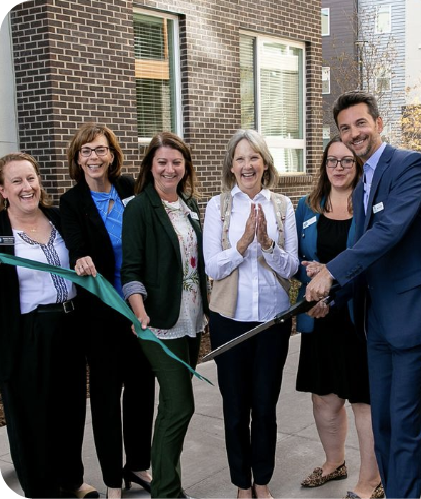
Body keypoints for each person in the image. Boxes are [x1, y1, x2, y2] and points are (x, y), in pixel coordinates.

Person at [305, 91, 421, 499]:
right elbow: (366, 261)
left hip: (411, 317)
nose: (353, 134)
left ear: (379, 123)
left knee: (404, 423)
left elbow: (387, 235)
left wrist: (331, 271)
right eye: (345, 128)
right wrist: (333, 297)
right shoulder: (363, 179)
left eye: (360, 124)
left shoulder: (408, 165)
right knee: (382, 422)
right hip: (375, 324)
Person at [60, 123, 155, 499]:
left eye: (100, 150)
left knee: (142, 390)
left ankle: (138, 466)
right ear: (77, 159)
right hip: (100, 317)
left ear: (113, 155)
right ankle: (113, 480)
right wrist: (80, 257)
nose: (94, 157)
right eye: (86, 152)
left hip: (138, 310)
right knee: (104, 396)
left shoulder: (131, 188)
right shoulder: (73, 202)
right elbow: (75, 245)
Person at [203, 129, 298, 499]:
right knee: (235, 407)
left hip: (272, 321)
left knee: (265, 405)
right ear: (231, 165)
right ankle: (242, 485)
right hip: (230, 321)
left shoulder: (282, 206)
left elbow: (290, 268)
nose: (247, 165)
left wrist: (268, 245)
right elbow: (212, 267)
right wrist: (242, 245)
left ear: (264, 163)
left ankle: (263, 481)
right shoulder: (218, 206)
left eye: (254, 157)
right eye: (240, 158)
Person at [0, 152, 98, 499]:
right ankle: (41, 489)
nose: (27, 187)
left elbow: (85, 255)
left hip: (69, 325)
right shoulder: (0, 231)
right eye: (17, 181)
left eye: (31, 178)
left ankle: (71, 479)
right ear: (3, 190)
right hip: (27, 332)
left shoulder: (59, 219)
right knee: (31, 416)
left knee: (70, 408)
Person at [121, 132, 208, 499]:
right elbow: (132, 269)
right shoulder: (139, 208)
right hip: (156, 322)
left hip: (190, 317)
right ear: (150, 166)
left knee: (174, 406)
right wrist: (139, 313)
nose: (169, 168)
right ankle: (167, 491)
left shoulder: (189, 204)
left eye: (176, 161)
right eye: (162, 162)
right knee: (180, 404)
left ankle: (165, 481)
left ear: (185, 165)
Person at [295, 136, 383, 499]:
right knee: (324, 397)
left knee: (363, 400)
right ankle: (334, 463)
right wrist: (311, 281)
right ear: (323, 165)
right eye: (332, 161)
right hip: (319, 316)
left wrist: (332, 279)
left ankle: (371, 480)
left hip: (358, 316)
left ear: (358, 165)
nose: (339, 167)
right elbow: (297, 261)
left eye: (347, 161)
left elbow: (374, 259)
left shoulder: (369, 206)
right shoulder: (307, 206)